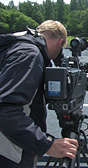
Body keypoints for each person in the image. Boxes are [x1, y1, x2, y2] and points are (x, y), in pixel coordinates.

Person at [0, 20, 78, 167]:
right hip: (9, 153)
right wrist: (46, 144)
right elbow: (6, 110)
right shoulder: (29, 54)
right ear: (60, 43)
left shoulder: (12, 47)